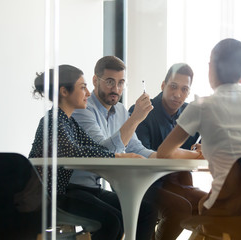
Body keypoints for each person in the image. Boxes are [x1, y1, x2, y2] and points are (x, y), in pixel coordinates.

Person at [72, 56, 202, 239]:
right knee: (118, 218)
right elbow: (103, 154)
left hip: (99, 185)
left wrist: (160, 156)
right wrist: (135, 119)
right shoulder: (84, 109)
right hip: (76, 187)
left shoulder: (120, 111)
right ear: (95, 80)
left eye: (121, 83)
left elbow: (137, 148)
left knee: (146, 212)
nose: (116, 89)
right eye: (110, 82)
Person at [157, 39, 241, 237]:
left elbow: (163, 153)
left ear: (211, 67)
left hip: (225, 207)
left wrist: (197, 154)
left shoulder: (202, 106)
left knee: (205, 207)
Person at [28, 64, 154, 240]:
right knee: (111, 221)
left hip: (66, 192)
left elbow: (95, 148)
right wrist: (116, 155)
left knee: (145, 211)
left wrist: (119, 154)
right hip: (52, 196)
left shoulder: (69, 122)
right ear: (64, 92)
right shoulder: (53, 120)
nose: (88, 92)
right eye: (82, 87)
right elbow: (74, 152)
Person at [128, 63, 206, 239]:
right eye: (173, 87)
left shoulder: (189, 112)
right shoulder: (142, 112)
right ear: (163, 85)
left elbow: (207, 143)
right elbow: (143, 157)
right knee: (180, 208)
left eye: (184, 89)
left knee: (211, 205)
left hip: (178, 183)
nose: (178, 94)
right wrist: (195, 153)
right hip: (146, 184)